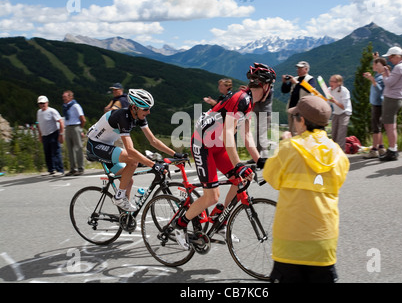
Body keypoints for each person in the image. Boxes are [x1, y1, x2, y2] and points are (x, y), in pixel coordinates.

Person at [173, 63, 276, 250]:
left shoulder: (249, 103)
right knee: (212, 196)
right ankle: (179, 225)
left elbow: (246, 136)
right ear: (265, 85)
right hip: (203, 145)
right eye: (272, 86)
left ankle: (219, 220)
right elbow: (229, 133)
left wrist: (259, 160)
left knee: (242, 179)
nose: (272, 90)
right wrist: (238, 163)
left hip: (219, 147)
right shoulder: (241, 98)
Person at [263, 95, 350, 283]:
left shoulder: (287, 148)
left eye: (295, 117)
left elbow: (271, 178)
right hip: (323, 243)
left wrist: (284, 143)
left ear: (301, 120)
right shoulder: (338, 153)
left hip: (289, 243)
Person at [86, 89, 182, 212]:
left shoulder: (139, 116)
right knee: (133, 160)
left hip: (107, 146)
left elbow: (153, 141)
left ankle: (125, 216)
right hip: (95, 146)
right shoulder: (122, 117)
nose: (149, 112)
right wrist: (153, 165)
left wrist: (175, 154)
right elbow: (130, 150)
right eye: (146, 109)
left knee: (128, 181)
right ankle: (119, 197)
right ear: (135, 108)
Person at [379, 46, 402, 161]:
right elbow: (394, 81)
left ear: (397, 56)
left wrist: (383, 74)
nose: (389, 59)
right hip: (397, 98)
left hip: (392, 98)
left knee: (390, 126)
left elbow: (389, 83)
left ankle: (392, 151)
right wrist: (388, 72)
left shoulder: (398, 68)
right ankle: (393, 148)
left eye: (391, 57)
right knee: (391, 125)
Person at [363, 57, 388, 158]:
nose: (373, 66)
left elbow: (380, 91)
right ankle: (381, 148)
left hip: (378, 104)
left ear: (381, 66)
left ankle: (374, 150)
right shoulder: (379, 75)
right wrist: (375, 58)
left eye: (375, 65)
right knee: (378, 126)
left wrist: (372, 80)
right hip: (376, 103)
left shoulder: (382, 77)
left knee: (375, 128)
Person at [282, 61, 316, 136]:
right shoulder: (295, 78)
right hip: (292, 108)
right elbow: (285, 90)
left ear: (306, 69)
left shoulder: (310, 79)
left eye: (300, 68)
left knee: (299, 131)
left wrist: (297, 83)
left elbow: (310, 89)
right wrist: (284, 82)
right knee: (291, 130)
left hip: (302, 109)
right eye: (298, 68)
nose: (298, 70)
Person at [36, 95, 65, 176]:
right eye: (40, 103)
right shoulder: (39, 112)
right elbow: (39, 124)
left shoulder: (52, 111)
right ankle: (51, 169)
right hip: (45, 135)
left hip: (53, 133)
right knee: (47, 153)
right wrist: (40, 135)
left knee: (56, 152)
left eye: (43, 103)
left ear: (47, 103)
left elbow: (60, 121)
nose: (42, 105)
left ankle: (60, 169)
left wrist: (61, 134)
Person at [62, 90, 86, 176]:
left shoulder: (76, 106)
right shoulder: (65, 106)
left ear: (70, 97)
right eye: (63, 97)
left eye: (65, 97)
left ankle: (80, 168)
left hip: (75, 127)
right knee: (70, 149)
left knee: (78, 148)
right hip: (68, 127)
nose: (63, 98)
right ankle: (72, 169)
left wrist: (80, 129)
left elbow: (83, 119)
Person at [328, 75, 352, 151]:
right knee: (334, 133)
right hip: (336, 113)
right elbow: (327, 103)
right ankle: (333, 152)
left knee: (341, 133)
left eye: (333, 81)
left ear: (339, 83)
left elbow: (343, 107)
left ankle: (341, 152)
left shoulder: (344, 91)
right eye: (330, 81)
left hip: (345, 112)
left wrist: (334, 101)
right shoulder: (329, 90)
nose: (331, 83)